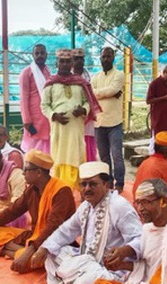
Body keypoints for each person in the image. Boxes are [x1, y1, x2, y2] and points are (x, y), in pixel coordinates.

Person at [31, 161, 142, 284]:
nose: (87, 189)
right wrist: (44, 248)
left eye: (93, 184)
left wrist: (124, 250)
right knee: (52, 253)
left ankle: (69, 281)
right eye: (83, 185)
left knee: (88, 282)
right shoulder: (85, 206)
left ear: (106, 185)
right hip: (86, 261)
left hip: (111, 271)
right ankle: (72, 281)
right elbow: (66, 231)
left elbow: (141, 238)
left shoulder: (119, 206)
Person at [0, 150, 76, 273]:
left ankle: (7, 250)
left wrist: (29, 251)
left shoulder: (61, 191)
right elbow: (11, 212)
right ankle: (16, 251)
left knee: (43, 259)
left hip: (57, 243)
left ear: (39, 173)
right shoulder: (31, 190)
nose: (23, 173)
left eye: (26, 170)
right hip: (35, 236)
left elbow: (53, 226)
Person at [41, 48, 100, 189]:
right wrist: (54, 115)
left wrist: (83, 110)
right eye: (62, 61)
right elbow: (44, 106)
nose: (65, 64)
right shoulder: (51, 83)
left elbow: (88, 102)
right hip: (59, 129)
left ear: (72, 63)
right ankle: (60, 187)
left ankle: (76, 188)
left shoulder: (80, 82)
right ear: (56, 63)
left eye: (68, 62)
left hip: (76, 128)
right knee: (59, 157)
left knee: (77, 155)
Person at [92, 46, 126, 192]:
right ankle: (108, 183)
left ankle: (120, 183)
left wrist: (105, 93)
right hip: (99, 123)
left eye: (108, 56)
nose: (106, 59)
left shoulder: (119, 75)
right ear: (100, 58)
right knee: (104, 156)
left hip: (114, 122)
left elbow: (112, 89)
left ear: (113, 58)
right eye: (103, 57)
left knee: (117, 155)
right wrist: (109, 93)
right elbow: (91, 94)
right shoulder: (95, 77)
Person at [19, 44, 52, 153]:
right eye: (37, 53)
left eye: (42, 53)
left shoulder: (48, 71)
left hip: (46, 118)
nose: (40, 55)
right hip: (33, 120)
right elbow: (23, 98)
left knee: (47, 153)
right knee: (33, 153)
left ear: (46, 55)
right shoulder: (26, 72)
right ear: (32, 55)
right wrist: (27, 121)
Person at [72, 48, 98, 163]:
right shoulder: (67, 77)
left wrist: (85, 109)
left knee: (88, 147)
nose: (79, 61)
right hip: (72, 117)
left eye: (81, 59)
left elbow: (92, 96)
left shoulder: (89, 76)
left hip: (87, 115)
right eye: (76, 59)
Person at [146, 63, 167, 154]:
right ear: (164, 72)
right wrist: (164, 98)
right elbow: (148, 100)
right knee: (158, 139)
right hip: (159, 117)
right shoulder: (155, 83)